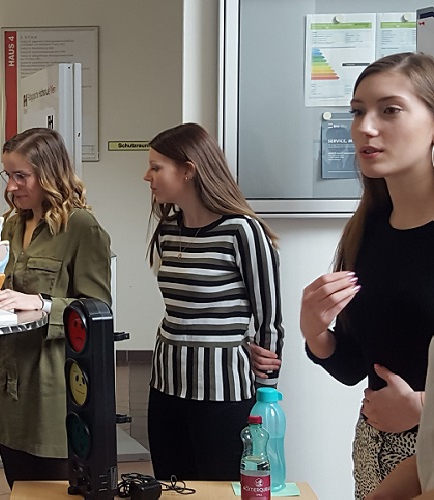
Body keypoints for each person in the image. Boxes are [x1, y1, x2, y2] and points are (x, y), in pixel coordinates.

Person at [300, 52, 434, 499]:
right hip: (374, 452)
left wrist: (423, 407)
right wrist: (316, 333)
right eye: (358, 111)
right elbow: (357, 366)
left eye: (390, 110)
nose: (365, 128)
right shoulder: (370, 228)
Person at [142, 122, 284, 481]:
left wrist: (267, 392)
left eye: (156, 167)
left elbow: (269, 319)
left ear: (188, 170)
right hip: (166, 385)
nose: (147, 177)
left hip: (223, 392)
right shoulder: (168, 231)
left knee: (222, 488)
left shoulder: (242, 230)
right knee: (171, 485)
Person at [0, 127, 113, 488]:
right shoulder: (12, 223)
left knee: (52, 489)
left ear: (49, 174)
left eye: (20, 176)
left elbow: (98, 309)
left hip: (50, 387)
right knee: (19, 488)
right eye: (8, 175)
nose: (11, 186)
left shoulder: (81, 227)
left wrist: (43, 304)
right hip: (7, 380)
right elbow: (7, 290)